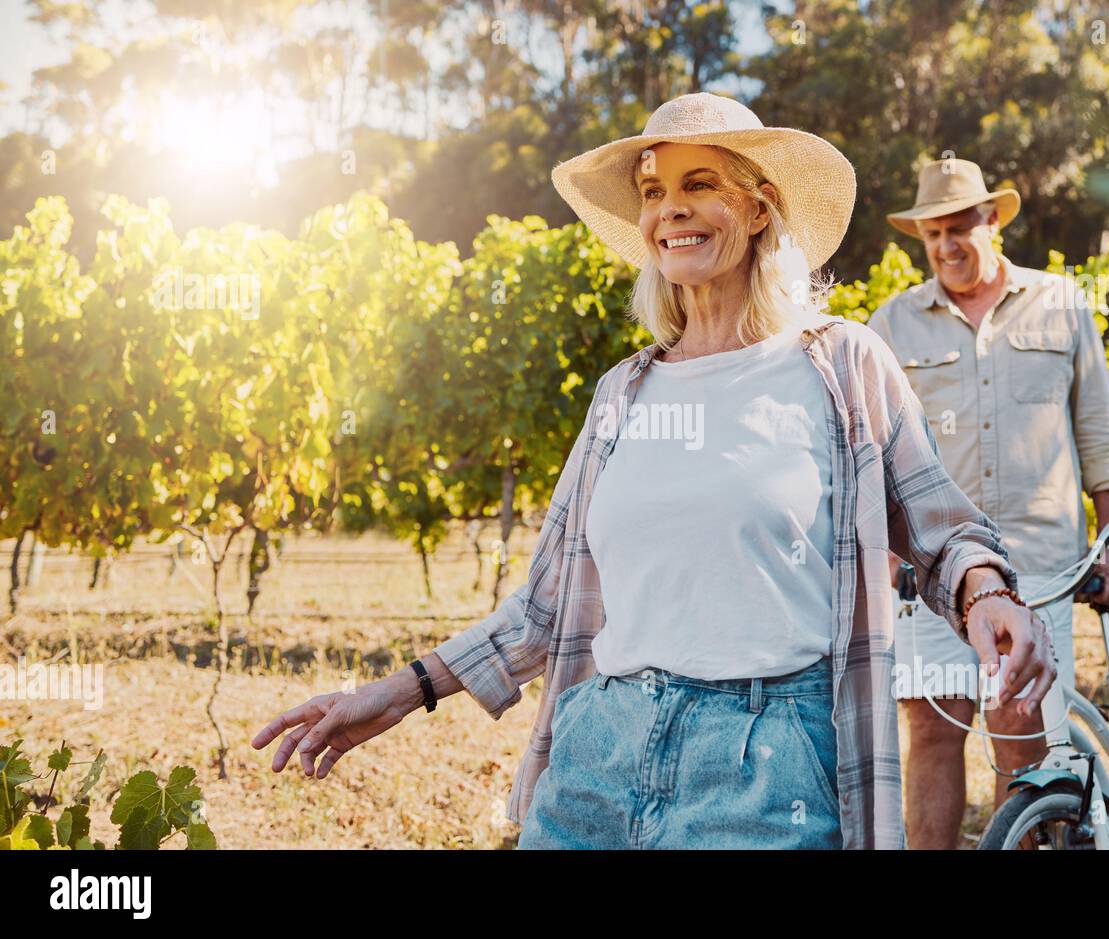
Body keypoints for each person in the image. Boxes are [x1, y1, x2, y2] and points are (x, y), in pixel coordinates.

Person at [252, 94, 1055, 849]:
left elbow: (944, 533)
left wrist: (987, 595)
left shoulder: (842, 367)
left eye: (698, 184)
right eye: (653, 189)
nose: (668, 206)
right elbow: (541, 609)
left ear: (757, 207)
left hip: (766, 769)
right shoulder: (622, 395)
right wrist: (392, 695)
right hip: (598, 752)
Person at [870, 158, 1109, 849]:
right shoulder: (892, 323)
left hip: (1042, 560)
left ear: (994, 222)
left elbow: (1098, 429)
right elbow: (875, 452)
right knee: (932, 725)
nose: (946, 246)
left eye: (959, 228)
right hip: (930, 574)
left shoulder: (1061, 303)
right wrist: (887, 555)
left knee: (1018, 725)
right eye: (932, 234)